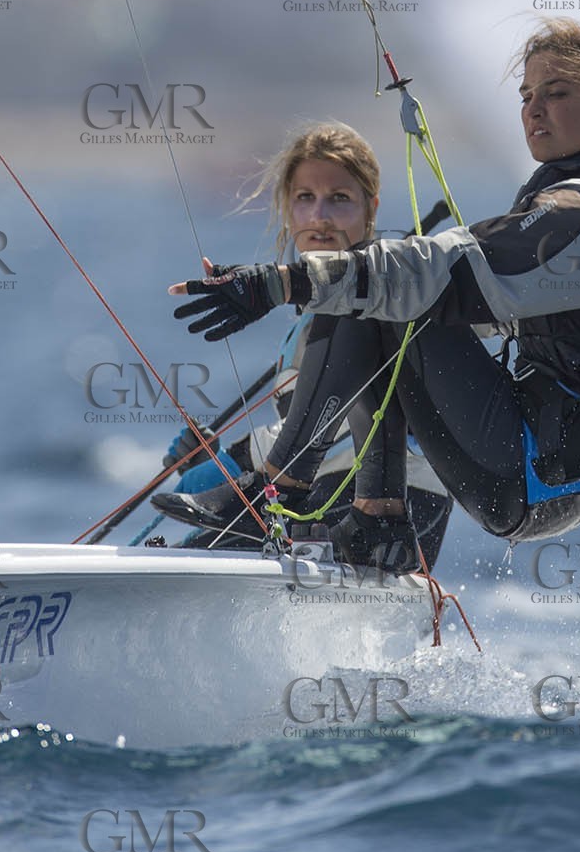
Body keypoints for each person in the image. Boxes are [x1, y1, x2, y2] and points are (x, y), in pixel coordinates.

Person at [158, 18, 580, 572]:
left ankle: (277, 489)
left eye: (556, 93)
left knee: (383, 286)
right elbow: (467, 309)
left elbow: (434, 275)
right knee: (378, 288)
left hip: (548, 467)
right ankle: (375, 520)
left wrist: (276, 284)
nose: (533, 109)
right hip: (558, 455)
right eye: (526, 95)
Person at [152, 122, 455, 564]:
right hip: (324, 498)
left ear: (371, 208)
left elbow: (339, 426)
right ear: (287, 208)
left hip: (400, 504)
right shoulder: (305, 322)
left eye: (340, 198)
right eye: (305, 198)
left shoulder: (393, 292)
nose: (319, 216)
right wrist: (209, 464)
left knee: (198, 555)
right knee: (189, 552)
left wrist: (235, 462)